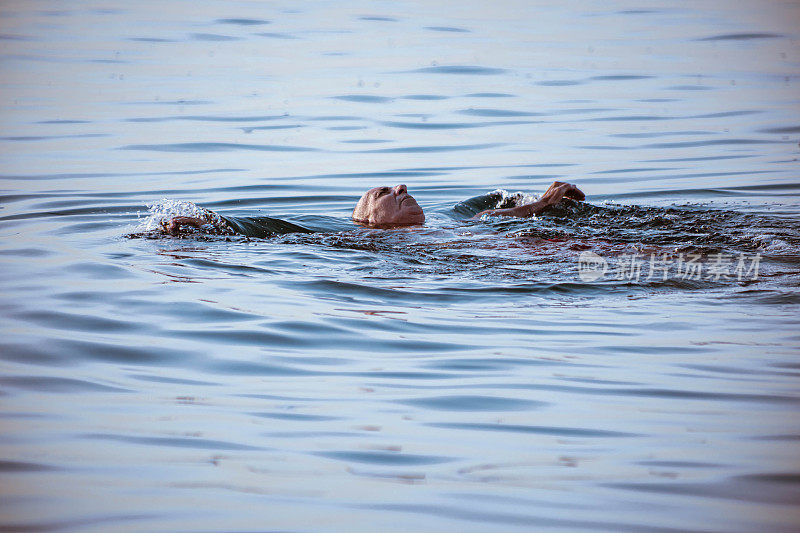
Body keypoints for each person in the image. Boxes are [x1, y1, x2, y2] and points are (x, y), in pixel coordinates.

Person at [161, 180, 585, 236]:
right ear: (367, 219)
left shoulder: (457, 221)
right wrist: (207, 225)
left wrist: (545, 202)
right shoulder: (352, 239)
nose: (402, 187)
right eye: (386, 192)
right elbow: (270, 229)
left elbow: (498, 213)